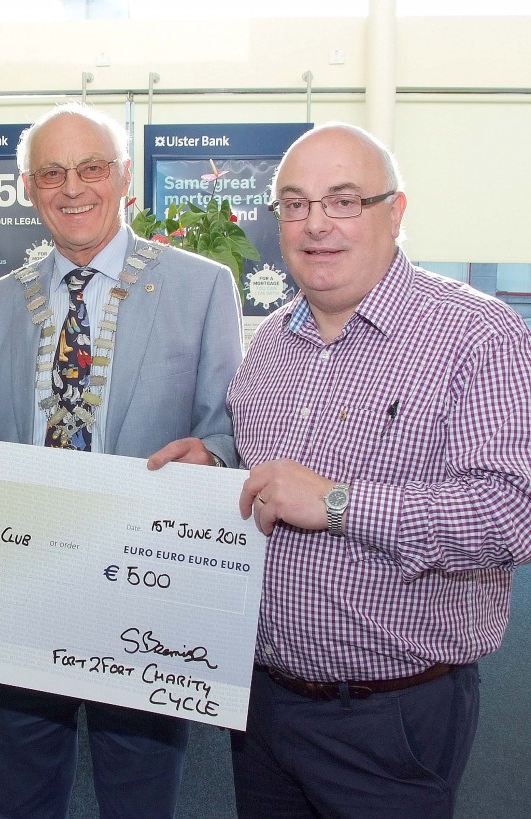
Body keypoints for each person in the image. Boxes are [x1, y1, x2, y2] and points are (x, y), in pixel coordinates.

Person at [0, 102, 243, 818]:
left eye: (92, 167)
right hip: (20, 590)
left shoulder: (203, 289)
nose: (72, 187)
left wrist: (215, 455)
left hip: (147, 593)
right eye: (52, 172)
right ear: (28, 187)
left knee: (139, 797)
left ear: (126, 178)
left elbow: (227, 434)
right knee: (15, 797)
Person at [228, 122, 531, 817]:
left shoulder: (478, 335)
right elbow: (260, 487)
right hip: (264, 706)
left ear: (394, 212)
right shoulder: (269, 345)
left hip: (390, 717)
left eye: (343, 201)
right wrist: (210, 466)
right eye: (295, 205)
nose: (315, 225)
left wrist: (338, 503)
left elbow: (514, 512)